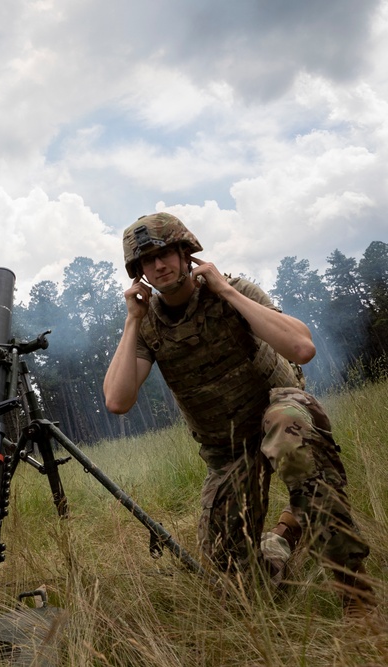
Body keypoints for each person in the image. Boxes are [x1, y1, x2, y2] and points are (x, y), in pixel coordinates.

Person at [103, 212, 377, 617]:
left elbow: (302, 348)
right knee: (234, 582)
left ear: (186, 252)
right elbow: (117, 400)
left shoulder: (234, 290)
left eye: (165, 254)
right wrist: (132, 321)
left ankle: (353, 591)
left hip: (279, 412)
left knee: (286, 429)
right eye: (147, 261)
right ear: (138, 272)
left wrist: (227, 292)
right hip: (227, 448)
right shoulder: (147, 326)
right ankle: (284, 535)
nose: (159, 265)